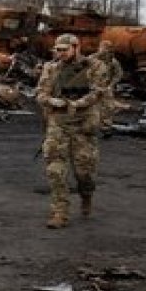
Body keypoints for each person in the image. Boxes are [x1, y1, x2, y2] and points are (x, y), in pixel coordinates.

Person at [35, 34, 110, 229]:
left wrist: (77, 104)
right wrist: (52, 101)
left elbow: (98, 92)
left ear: (76, 48)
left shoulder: (94, 67)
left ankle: (86, 195)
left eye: (64, 50)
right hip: (58, 122)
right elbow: (41, 93)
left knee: (84, 172)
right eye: (57, 50)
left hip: (83, 124)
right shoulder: (51, 68)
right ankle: (60, 212)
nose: (60, 54)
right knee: (55, 170)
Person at [89, 40, 124, 127]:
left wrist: (111, 84)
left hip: (106, 87)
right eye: (103, 48)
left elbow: (118, 74)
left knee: (108, 107)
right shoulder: (91, 59)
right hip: (93, 87)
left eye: (107, 48)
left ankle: (106, 126)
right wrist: (91, 85)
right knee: (91, 106)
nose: (105, 50)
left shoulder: (112, 61)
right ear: (99, 48)